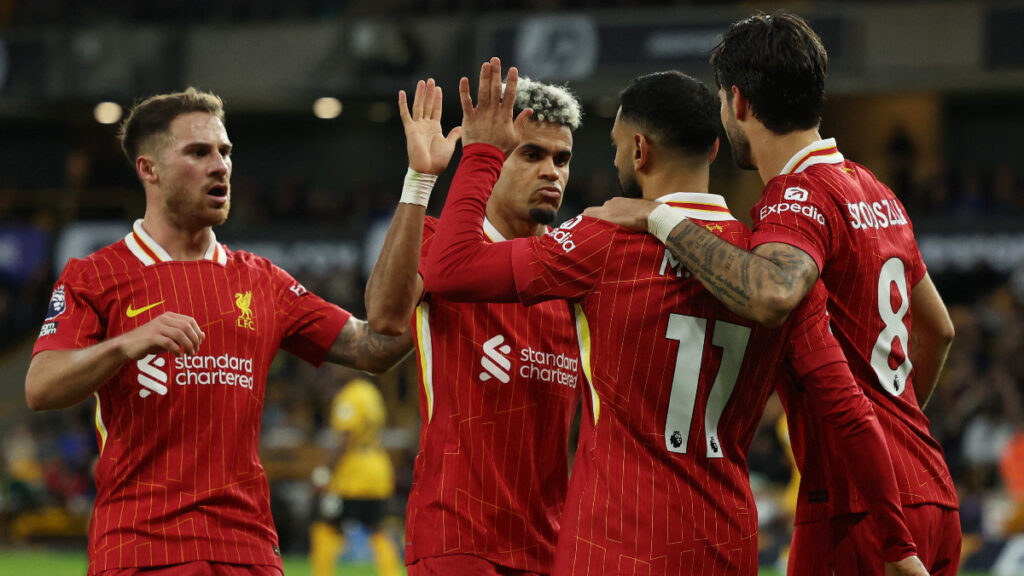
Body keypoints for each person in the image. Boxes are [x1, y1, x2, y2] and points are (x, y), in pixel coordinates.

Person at [423, 57, 927, 576]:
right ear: (713, 148)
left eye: (618, 145)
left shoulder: (604, 241)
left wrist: (483, 153)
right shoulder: (771, 269)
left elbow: (451, 268)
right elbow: (852, 416)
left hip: (615, 545)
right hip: (727, 544)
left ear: (639, 150)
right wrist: (897, 545)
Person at [586, 11, 960, 576]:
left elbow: (772, 292)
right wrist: (897, 434)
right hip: (930, 489)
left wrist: (658, 218)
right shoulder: (875, 190)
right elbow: (940, 329)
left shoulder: (795, 198)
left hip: (854, 509)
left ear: (737, 102)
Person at [25, 88, 413, 576]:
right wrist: (126, 343)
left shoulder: (263, 281)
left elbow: (375, 347)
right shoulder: (95, 276)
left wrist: (418, 188)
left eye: (224, 152)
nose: (220, 166)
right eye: (198, 152)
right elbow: (41, 385)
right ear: (149, 169)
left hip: (248, 552)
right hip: (142, 549)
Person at [363, 73, 583, 575]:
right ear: (492, 157)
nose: (551, 171)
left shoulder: (568, 270)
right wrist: (420, 179)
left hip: (551, 546)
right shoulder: (441, 243)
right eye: (531, 154)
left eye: (561, 159)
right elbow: (385, 316)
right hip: (458, 538)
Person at [309, 376, 400, 576]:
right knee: (378, 527)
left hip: (354, 474)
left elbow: (345, 437)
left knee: (325, 524)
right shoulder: (371, 392)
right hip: (378, 469)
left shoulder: (349, 395)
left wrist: (324, 472)